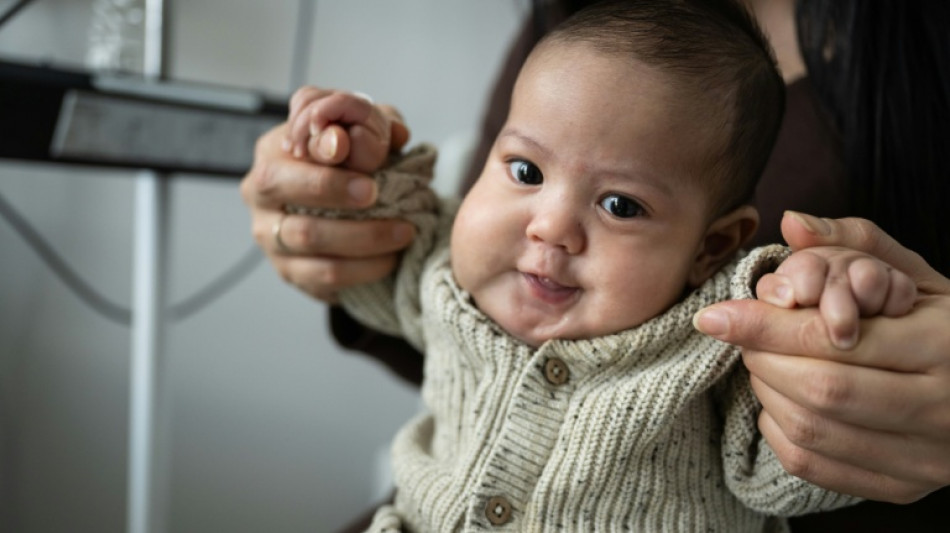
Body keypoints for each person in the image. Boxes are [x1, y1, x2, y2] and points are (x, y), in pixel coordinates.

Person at [240, 0, 950, 530]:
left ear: (710, 247)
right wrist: (345, 165)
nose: (550, 226)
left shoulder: (718, 340)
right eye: (523, 169)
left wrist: (836, 310)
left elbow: (803, 456)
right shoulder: (446, 278)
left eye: (620, 205)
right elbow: (375, 250)